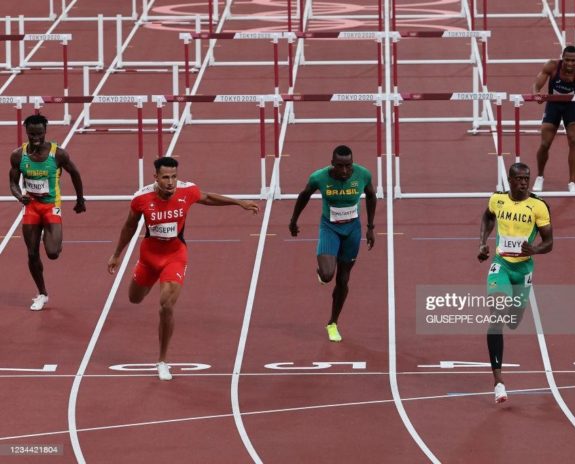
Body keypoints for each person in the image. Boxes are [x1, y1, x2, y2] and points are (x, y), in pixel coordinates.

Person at [107, 157, 259, 381]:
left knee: (166, 305)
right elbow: (129, 226)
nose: (171, 182)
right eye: (165, 177)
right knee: (134, 299)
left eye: (174, 177)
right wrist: (117, 254)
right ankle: (143, 274)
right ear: (156, 178)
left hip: (175, 255)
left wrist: (239, 203)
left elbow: (207, 197)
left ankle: (162, 361)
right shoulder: (141, 198)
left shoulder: (187, 191)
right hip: (149, 257)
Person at [478, 163, 553, 403]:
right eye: (519, 179)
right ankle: (498, 381)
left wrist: (536, 249)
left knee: (512, 321)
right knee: (497, 314)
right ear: (509, 180)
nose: (524, 182)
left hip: (523, 270)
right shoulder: (498, 200)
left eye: (527, 179)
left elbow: (549, 242)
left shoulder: (538, 206)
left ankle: (512, 309)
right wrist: (482, 242)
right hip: (501, 265)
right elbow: (487, 217)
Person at [289, 145, 377, 343]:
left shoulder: (363, 174)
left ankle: (332, 323)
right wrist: (294, 220)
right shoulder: (319, 178)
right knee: (328, 275)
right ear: (332, 164)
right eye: (340, 166)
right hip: (330, 228)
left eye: (348, 166)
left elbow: (371, 195)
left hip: (352, 231)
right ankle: (322, 269)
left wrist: (370, 227)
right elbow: (304, 195)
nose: (345, 171)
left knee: (343, 280)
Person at [8, 114, 86, 311]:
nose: (35, 138)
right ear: (27, 132)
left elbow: (75, 174)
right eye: (32, 134)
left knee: (52, 253)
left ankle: (51, 236)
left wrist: (80, 199)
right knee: (32, 253)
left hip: (51, 205)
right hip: (32, 207)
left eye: (39, 134)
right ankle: (42, 293)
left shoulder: (57, 154)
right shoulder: (18, 155)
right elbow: (12, 182)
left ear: (45, 132)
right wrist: (19, 196)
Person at [531, 45, 575, 193]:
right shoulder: (551, 66)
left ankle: (572, 182)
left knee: (573, 140)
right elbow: (536, 85)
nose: (570, 64)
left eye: (573, 60)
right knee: (545, 143)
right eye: (567, 60)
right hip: (553, 105)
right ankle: (540, 177)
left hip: (571, 105)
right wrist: (536, 94)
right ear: (562, 58)